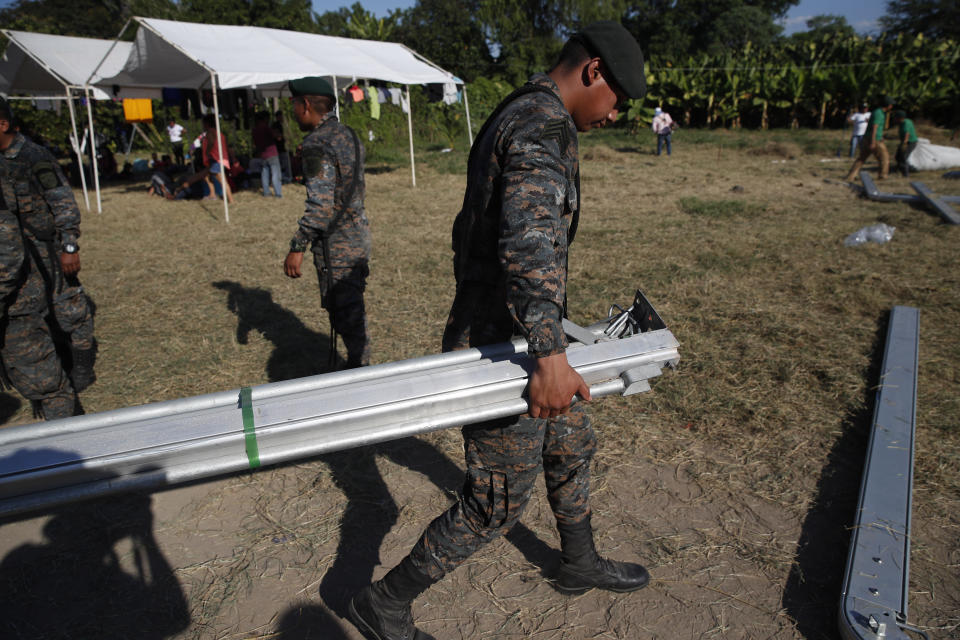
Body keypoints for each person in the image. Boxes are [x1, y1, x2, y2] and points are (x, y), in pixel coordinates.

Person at [347, 21, 648, 640]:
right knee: (498, 498)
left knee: (571, 442)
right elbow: (530, 239)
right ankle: (385, 601)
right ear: (593, 72)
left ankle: (578, 560)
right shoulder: (541, 123)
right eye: (619, 98)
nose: (616, 114)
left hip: (523, 335)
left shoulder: (524, 107)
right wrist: (548, 355)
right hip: (504, 349)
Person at [0, 98, 95, 419]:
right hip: (18, 255)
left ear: (3, 124)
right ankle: (54, 368)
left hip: (48, 249)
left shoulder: (33, 157)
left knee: (69, 307)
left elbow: (62, 201)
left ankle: (82, 365)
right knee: (36, 316)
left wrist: (69, 245)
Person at [282, 77, 371, 370]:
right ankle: (358, 369)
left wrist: (297, 245)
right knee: (352, 312)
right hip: (358, 237)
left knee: (347, 319)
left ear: (305, 104)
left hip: (337, 249)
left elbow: (320, 208)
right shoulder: (349, 135)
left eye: (294, 104)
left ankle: (361, 376)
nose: (293, 111)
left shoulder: (316, 144)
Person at [844, 96, 893, 181]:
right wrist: (873, 142)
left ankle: (851, 176)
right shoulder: (879, 113)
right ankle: (883, 176)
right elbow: (875, 127)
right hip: (874, 139)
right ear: (888, 105)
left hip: (868, 137)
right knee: (884, 158)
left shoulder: (877, 112)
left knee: (862, 158)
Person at [201, 114, 234, 204]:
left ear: (207, 124)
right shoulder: (219, 133)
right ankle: (212, 194)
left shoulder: (210, 132)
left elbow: (211, 142)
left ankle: (231, 200)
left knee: (222, 180)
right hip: (220, 158)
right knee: (207, 176)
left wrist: (207, 152)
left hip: (216, 159)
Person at [252, 111, 282, 198]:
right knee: (275, 174)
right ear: (265, 118)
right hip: (272, 153)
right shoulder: (266, 128)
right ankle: (278, 193)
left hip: (263, 154)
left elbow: (255, 143)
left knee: (264, 174)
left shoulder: (255, 129)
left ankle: (266, 192)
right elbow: (277, 137)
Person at [892, 110, 918, 177]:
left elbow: (907, 133)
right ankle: (897, 170)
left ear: (900, 117)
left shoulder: (906, 123)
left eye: (896, 117)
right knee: (898, 156)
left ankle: (905, 174)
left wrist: (904, 143)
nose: (894, 119)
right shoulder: (901, 123)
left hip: (910, 142)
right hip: (904, 141)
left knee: (904, 157)